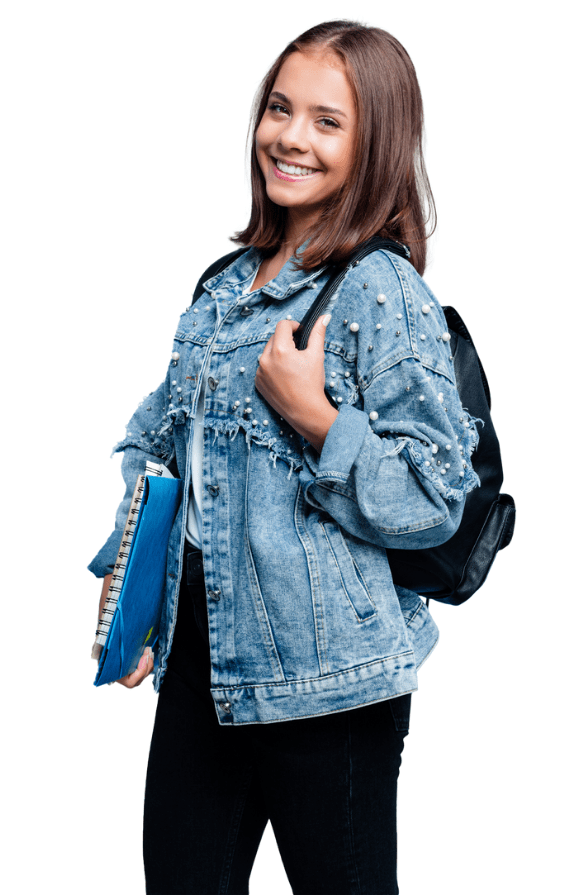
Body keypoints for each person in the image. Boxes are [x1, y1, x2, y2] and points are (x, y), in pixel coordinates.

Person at [89, 20, 480, 894]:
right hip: (205, 667)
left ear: (375, 141)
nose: (289, 137)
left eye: (326, 121)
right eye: (278, 109)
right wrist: (137, 595)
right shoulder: (225, 286)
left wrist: (317, 418)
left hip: (333, 686)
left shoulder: (382, 288)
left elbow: (436, 493)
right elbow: (159, 449)